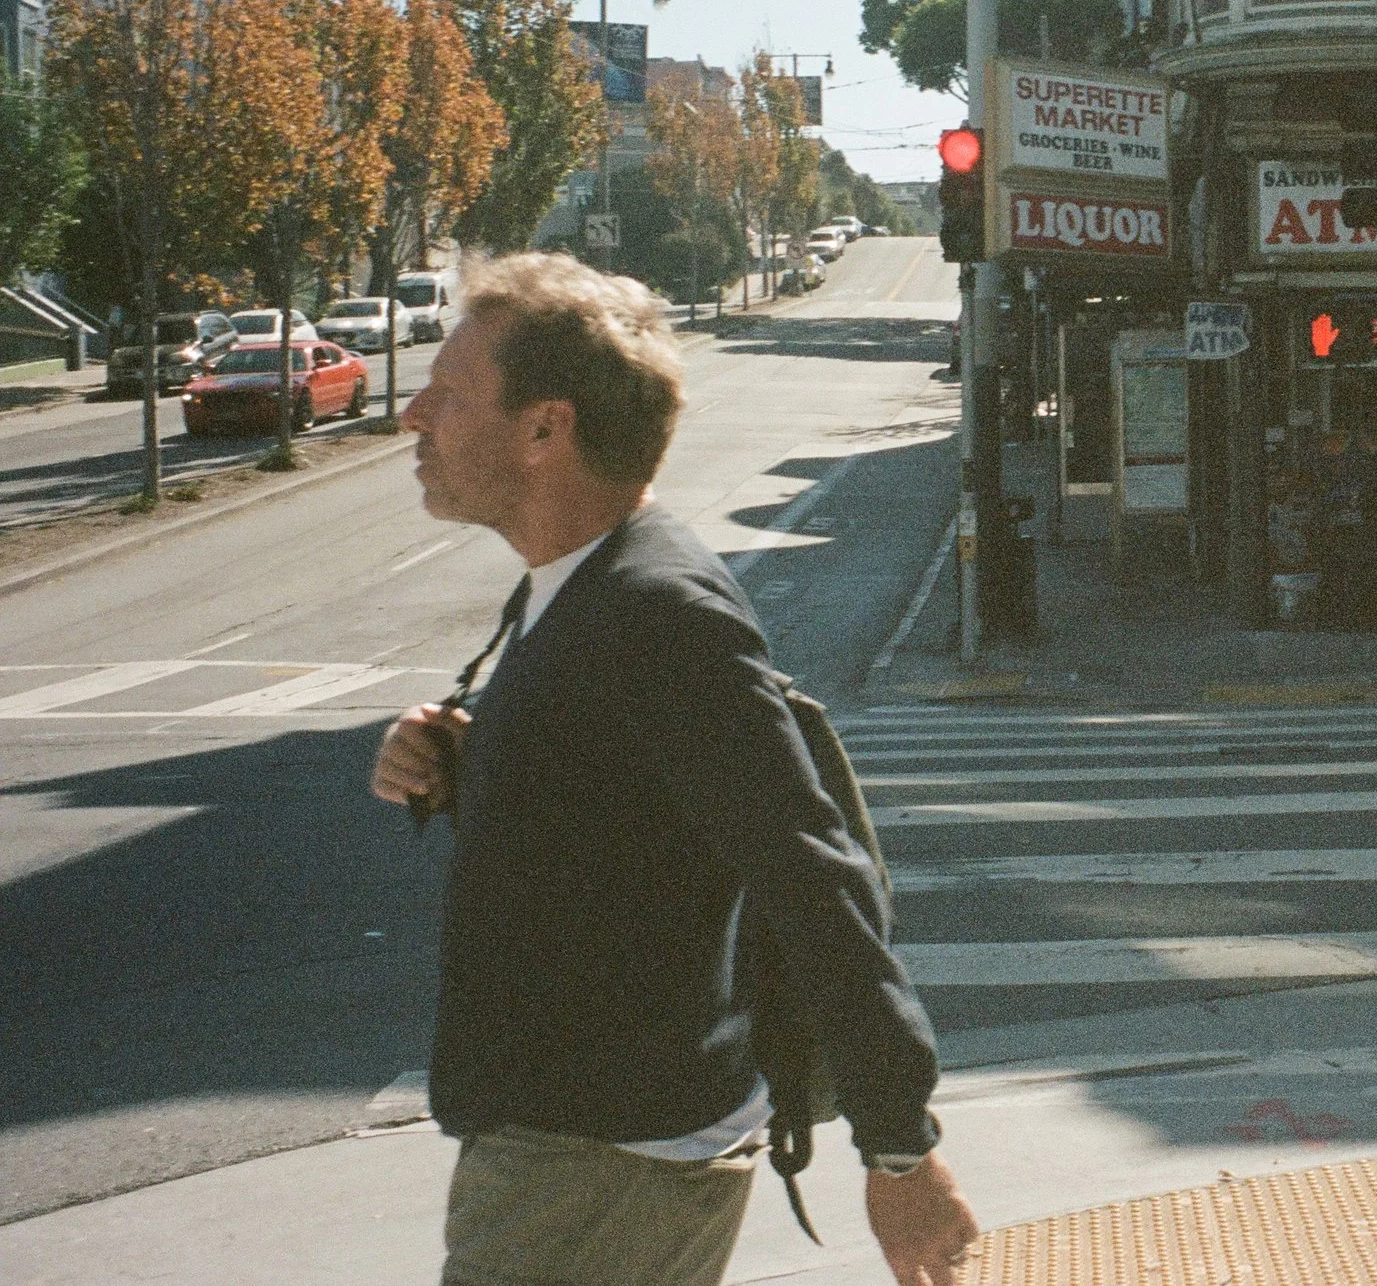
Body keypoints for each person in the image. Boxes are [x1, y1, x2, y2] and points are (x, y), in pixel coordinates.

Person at [370, 253, 978, 1286]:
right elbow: (622, 807)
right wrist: (461, 755)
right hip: (583, 1141)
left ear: (544, 427)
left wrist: (900, 1147)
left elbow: (812, 875)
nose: (414, 414)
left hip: (599, 1161)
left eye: (451, 392)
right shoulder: (580, 588)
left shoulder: (658, 613)